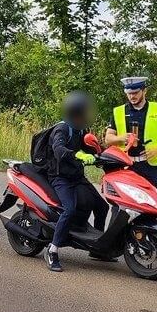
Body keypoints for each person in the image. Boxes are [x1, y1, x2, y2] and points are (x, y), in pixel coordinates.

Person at [40, 91, 108, 272]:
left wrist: (105, 156)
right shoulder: (62, 129)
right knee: (68, 210)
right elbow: (59, 150)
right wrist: (78, 155)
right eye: (85, 111)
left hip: (77, 177)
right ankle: (53, 250)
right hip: (60, 178)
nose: (87, 115)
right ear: (75, 112)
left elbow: (91, 149)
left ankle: (97, 249)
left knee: (102, 207)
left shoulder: (80, 130)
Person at [104, 75, 157, 226]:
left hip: (151, 166)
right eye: (129, 93)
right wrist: (122, 138)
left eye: (135, 92)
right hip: (126, 166)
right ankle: (114, 244)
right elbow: (108, 138)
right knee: (122, 205)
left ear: (144, 91)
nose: (132, 96)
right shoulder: (118, 112)